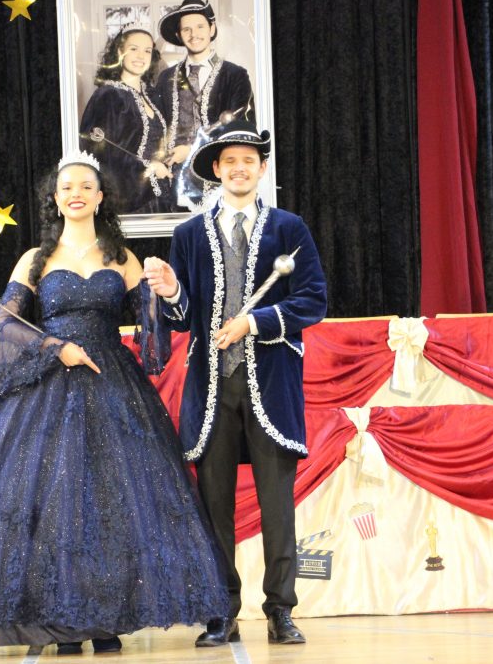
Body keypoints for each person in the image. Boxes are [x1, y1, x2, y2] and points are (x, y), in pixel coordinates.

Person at [0, 151, 229, 655]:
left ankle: (102, 621)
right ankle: (56, 623)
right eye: (66, 187)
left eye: (85, 186)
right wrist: (56, 347)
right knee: (47, 504)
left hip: (112, 386)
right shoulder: (35, 259)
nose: (75, 193)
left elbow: (154, 339)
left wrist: (164, 294)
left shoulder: (123, 258)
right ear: (55, 200)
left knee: (110, 505)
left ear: (100, 198)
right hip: (48, 388)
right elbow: (6, 323)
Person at [144, 120, 327, 647]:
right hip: (211, 389)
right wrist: (173, 290)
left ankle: (280, 610)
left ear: (262, 169)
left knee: (277, 507)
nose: (240, 169)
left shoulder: (289, 228)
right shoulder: (188, 235)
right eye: (230, 161)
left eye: (249, 160)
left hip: (271, 383)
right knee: (214, 507)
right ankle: (221, 610)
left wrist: (254, 322)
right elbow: (183, 316)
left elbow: (312, 299)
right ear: (217, 171)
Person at [153, 0, 255, 207]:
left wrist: (191, 150)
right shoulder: (165, 78)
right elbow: (156, 127)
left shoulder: (235, 75)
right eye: (186, 29)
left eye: (200, 26)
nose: (194, 34)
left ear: (212, 29)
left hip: (218, 178)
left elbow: (239, 128)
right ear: (179, 35)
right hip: (172, 181)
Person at [80, 25, 173, 213]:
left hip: (161, 196)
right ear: (119, 52)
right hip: (131, 199)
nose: (141, 56)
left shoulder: (152, 95)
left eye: (147, 51)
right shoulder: (108, 96)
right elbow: (99, 153)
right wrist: (148, 168)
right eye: (133, 49)